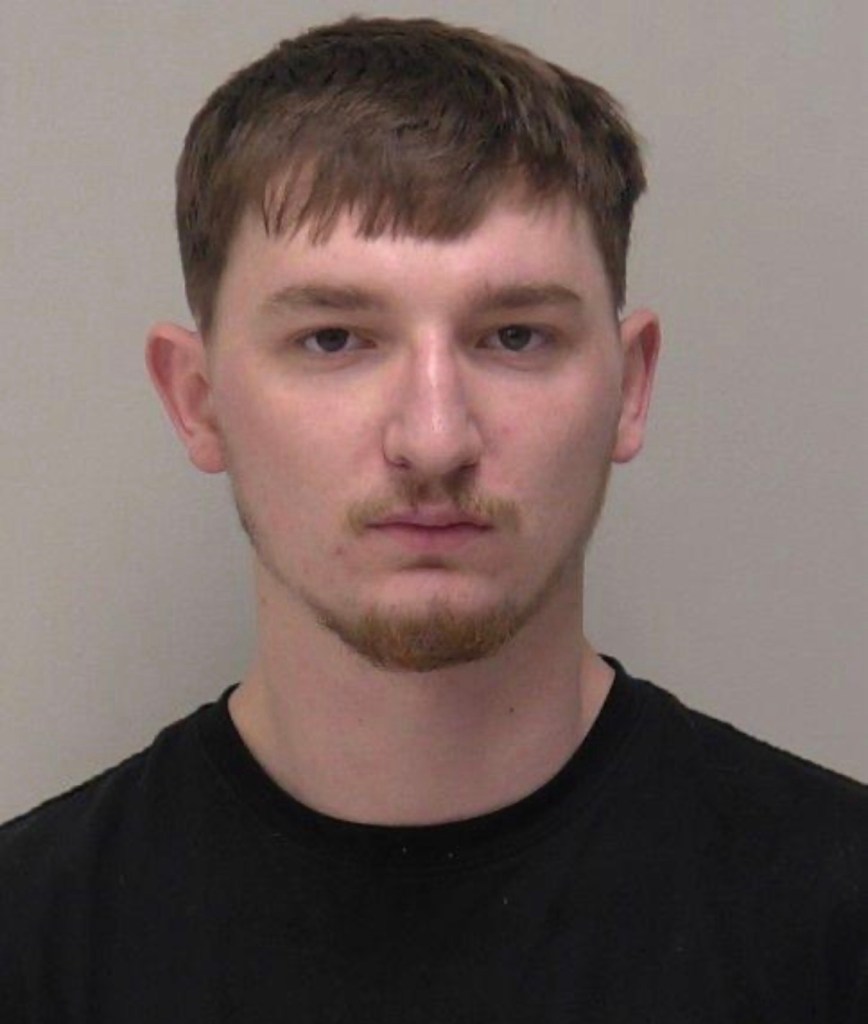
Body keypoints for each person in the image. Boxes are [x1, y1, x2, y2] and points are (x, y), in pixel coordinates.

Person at [1, 15, 865, 1022]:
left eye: (514, 336)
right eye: (334, 339)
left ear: (630, 388)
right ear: (197, 401)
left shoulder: (836, 921)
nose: (435, 437)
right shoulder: (27, 943)